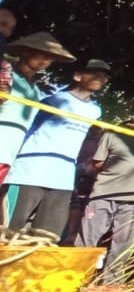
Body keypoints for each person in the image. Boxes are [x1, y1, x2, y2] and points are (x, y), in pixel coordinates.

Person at [8, 58, 110, 237]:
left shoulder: (95, 111)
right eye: (94, 74)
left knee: (46, 235)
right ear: (78, 76)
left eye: (104, 77)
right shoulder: (52, 101)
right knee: (10, 228)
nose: (99, 78)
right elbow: (28, 127)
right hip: (30, 172)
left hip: (62, 178)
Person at [75, 95, 134, 286]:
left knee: (123, 245)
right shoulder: (114, 132)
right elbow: (98, 162)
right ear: (133, 106)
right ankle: (76, 280)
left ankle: (111, 284)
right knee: (88, 239)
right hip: (104, 193)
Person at [0, 33, 74, 227]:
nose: (44, 61)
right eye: (40, 55)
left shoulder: (35, 90)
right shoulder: (7, 77)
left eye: (49, 58)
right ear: (25, 52)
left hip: (10, 155)